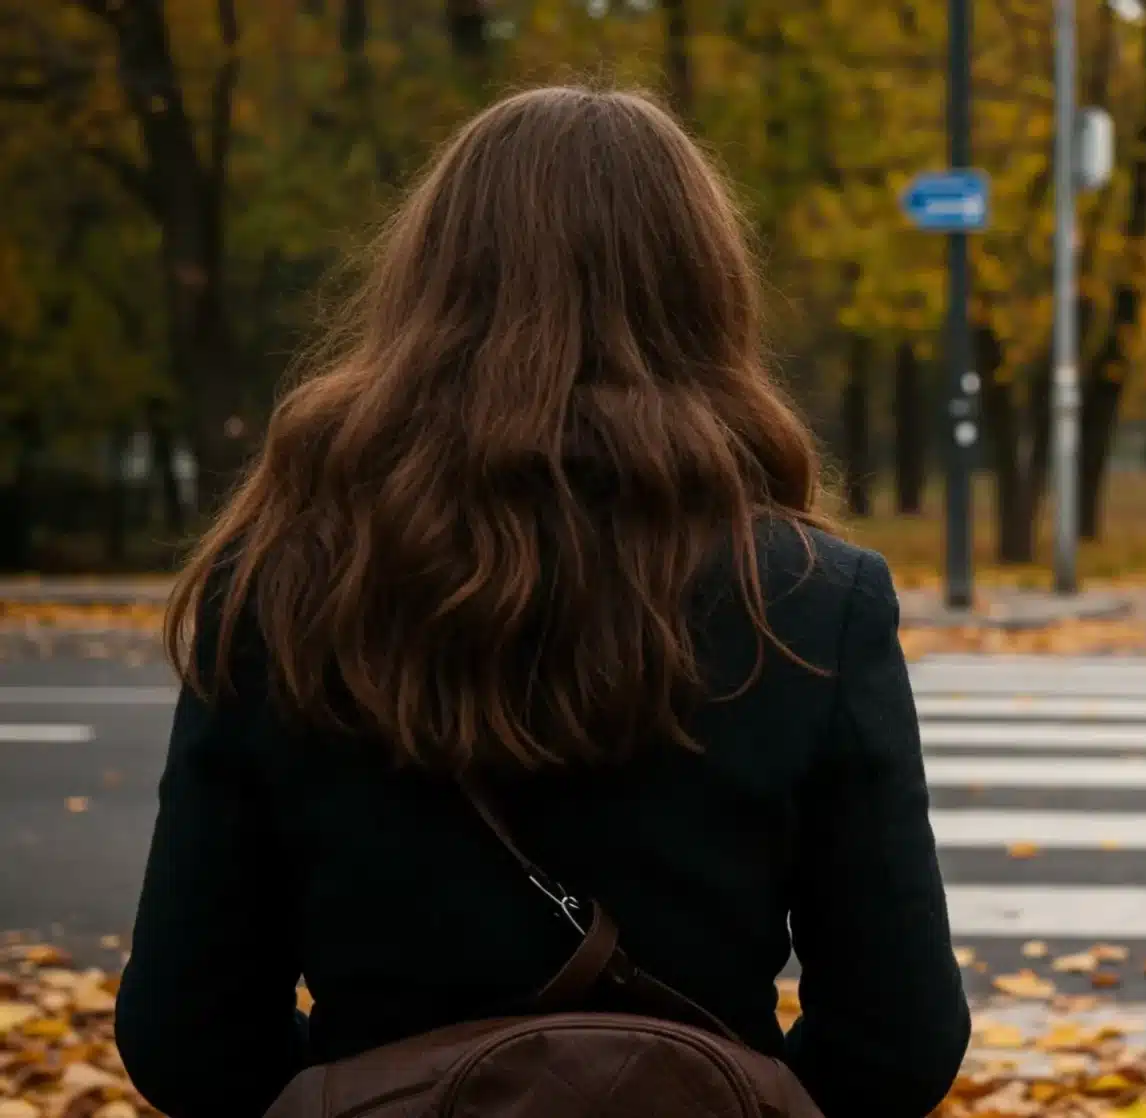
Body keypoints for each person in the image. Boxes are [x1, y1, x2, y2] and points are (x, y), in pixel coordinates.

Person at [113, 87, 970, 1118]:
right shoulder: (808, 597)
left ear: (429, 283)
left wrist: (360, 1087)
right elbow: (902, 1039)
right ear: (703, 292)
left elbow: (184, 1033)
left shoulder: (280, 584)